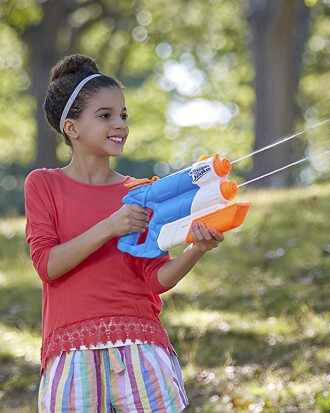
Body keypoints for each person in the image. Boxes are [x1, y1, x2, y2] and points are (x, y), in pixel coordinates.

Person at [24, 54, 224, 412]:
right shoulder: (44, 184)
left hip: (140, 346)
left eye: (123, 115)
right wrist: (110, 227)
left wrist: (196, 249)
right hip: (72, 354)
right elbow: (47, 265)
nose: (120, 125)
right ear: (72, 128)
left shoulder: (141, 193)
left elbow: (155, 279)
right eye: (105, 116)